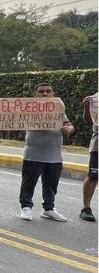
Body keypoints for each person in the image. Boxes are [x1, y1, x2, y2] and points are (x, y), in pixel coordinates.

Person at [17, 83, 74, 222]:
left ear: (53, 94)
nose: (45, 94)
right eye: (41, 91)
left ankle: (48, 209)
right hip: (33, 154)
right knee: (28, 183)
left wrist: (69, 129)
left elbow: (69, 125)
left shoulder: (59, 109)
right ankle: (26, 208)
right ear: (35, 95)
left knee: (51, 184)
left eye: (48, 91)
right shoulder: (28, 109)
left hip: (54, 155)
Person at [81, 92, 98, 221]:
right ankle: (86, 208)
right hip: (98, 145)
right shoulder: (95, 99)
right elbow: (88, 120)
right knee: (93, 176)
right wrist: (87, 107)